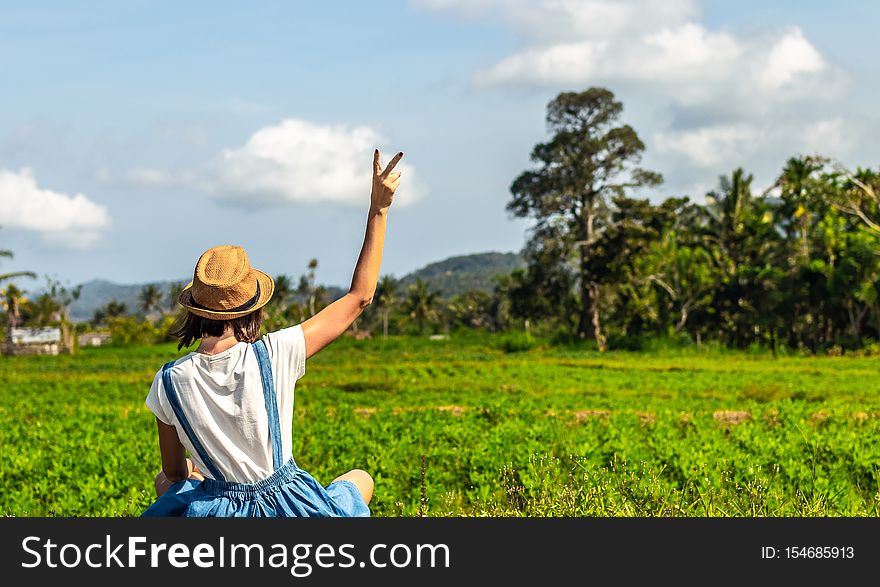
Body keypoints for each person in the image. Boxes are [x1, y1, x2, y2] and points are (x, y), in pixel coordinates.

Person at [140, 149, 403, 517]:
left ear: (196, 310)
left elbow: (172, 473)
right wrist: (379, 208)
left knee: (167, 484)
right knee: (359, 478)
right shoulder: (275, 352)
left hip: (215, 512)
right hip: (288, 508)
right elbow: (360, 297)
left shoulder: (169, 380)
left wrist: (204, 472)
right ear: (253, 308)